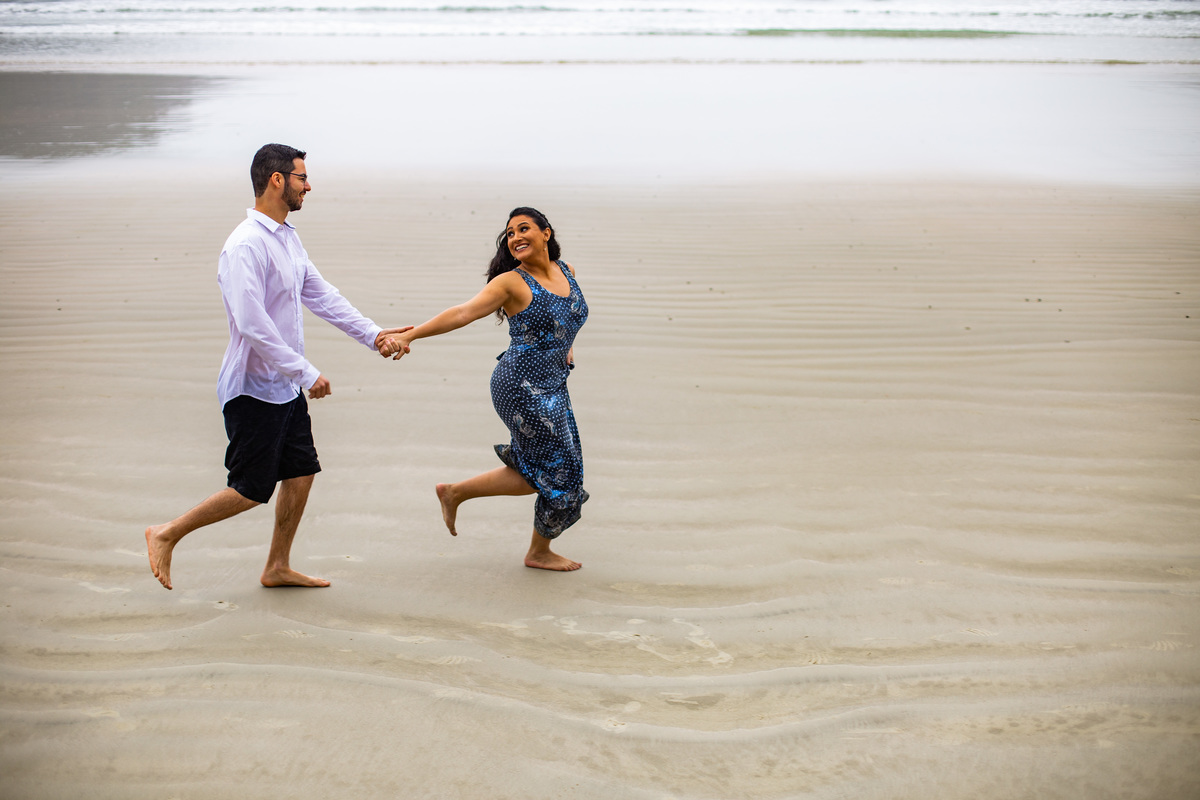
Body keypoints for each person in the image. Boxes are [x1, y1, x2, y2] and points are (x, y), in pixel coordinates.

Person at [145, 143, 408, 590]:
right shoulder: (244, 246)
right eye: (303, 177)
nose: (309, 185)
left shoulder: (287, 238)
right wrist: (305, 372)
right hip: (252, 388)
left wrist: (374, 334)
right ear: (277, 180)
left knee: (302, 471)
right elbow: (252, 325)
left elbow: (322, 295)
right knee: (250, 488)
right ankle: (166, 533)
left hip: (284, 388)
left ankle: (277, 566)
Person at [380, 207, 589, 571]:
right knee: (558, 472)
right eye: (510, 233)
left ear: (546, 233)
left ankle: (455, 492)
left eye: (524, 229)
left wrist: (566, 345)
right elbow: (463, 312)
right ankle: (537, 552)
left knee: (549, 470)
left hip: (554, 382)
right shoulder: (511, 282)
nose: (516, 237)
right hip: (521, 386)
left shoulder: (565, 271)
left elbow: (569, 316)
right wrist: (410, 334)